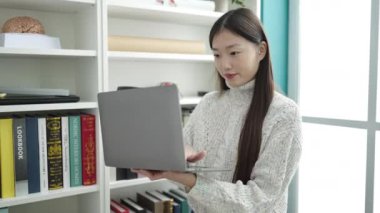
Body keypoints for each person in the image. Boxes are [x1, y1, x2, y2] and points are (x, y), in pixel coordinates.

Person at [132, 7, 302, 213]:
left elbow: (260, 199)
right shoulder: (209, 103)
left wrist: (190, 179)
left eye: (233, 53)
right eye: (217, 55)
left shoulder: (284, 114)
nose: (224, 65)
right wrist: (176, 159)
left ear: (261, 51)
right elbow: (188, 168)